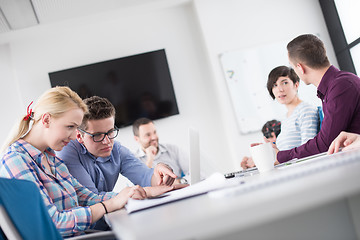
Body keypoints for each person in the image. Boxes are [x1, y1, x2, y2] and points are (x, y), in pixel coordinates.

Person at [0, 86, 161, 237]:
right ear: (47, 120)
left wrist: (137, 193)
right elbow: (54, 222)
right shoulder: (16, 160)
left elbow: (86, 197)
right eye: (70, 127)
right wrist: (109, 205)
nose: (73, 137)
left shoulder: (51, 158)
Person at [243, 34, 360, 168]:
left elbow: (325, 143)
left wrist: (278, 156)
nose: (280, 89)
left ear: (300, 68)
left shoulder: (341, 86)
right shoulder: (334, 87)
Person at [57, 96, 179, 195]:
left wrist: (159, 173)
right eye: (97, 135)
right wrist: (139, 193)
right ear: (79, 136)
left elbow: (146, 177)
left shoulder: (117, 150)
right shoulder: (67, 151)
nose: (107, 141)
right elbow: (91, 198)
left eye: (110, 132)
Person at [242, 65, 319, 169]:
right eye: (274, 85)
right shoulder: (286, 117)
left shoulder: (305, 110)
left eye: (285, 82)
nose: (280, 89)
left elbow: (308, 152)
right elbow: (286, 153)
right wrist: (262, 155)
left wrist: (275, 158)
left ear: (296, 85)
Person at [133, 117, 190, 184]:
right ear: (137, 139)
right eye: (148, 135)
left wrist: (180, 181)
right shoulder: (134, 160)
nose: (154, 137)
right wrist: (150, 160)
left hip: (179, 189)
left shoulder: (172, 149)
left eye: (154, 132)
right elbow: (140, 185)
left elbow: (194, 172)